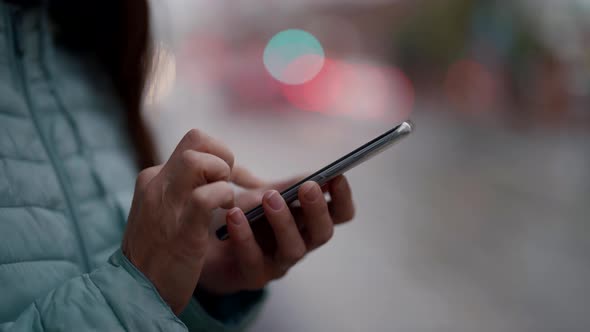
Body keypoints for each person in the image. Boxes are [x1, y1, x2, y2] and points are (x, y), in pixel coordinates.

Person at [0, 0, 355, 331]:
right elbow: (125, 288)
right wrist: (134, 290)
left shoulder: (90, 65)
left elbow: (131, 287)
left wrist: (196, 283)